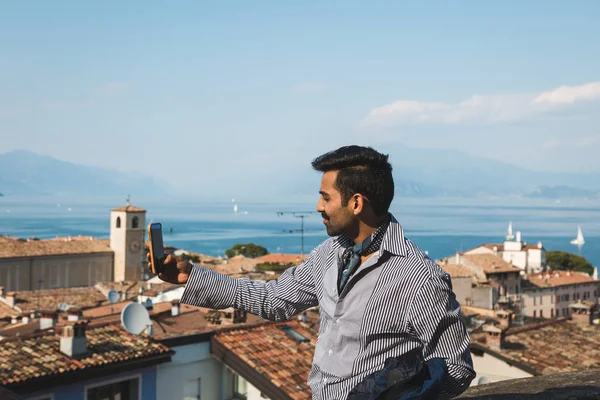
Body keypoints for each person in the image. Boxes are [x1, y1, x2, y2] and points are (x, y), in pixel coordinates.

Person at [152, 145, 475, 399]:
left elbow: (455, 368)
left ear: (356, 203)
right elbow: (274, 299)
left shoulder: (419, 278)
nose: (319, 206)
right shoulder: (329, 254)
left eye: (325, 197)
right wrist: (191, 276)